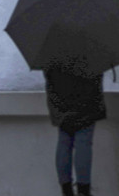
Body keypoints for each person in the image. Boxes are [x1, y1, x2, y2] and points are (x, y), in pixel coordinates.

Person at [43, 62, 107, 196]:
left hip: (60, 100)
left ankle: (66, 189)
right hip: (86, 100)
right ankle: (83, 190)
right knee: (83, 142)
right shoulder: (89, 49)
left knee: (64, 141)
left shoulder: (52, 50)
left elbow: (48, 75)